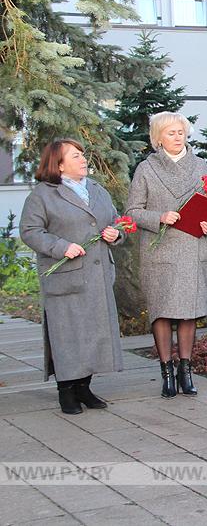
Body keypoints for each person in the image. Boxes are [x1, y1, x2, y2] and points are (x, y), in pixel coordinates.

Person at [19, 139, 125, 414]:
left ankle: (84, 388)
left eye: (82, 155)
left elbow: (116, 220)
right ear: (59, 164)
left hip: (98, 274)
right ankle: (66, 390)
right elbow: (30, 230)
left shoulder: (97, 190)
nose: (83, 160)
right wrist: (61, 246)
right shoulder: (43, 195)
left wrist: (115, 233)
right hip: (66, 276)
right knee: (68, 335)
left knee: (93, 333)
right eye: (75, 156)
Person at [126, 112, 207, 398]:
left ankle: (186, 370)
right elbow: (132, 212)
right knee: (162, 312)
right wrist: (159, 216)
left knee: (189, 313)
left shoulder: (200, 165)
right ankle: (166, 371)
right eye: (171, 133)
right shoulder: (146, 169)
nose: (178, 138)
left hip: (192, 248)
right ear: (158, 138)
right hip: (160, 252)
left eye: (181, 132)